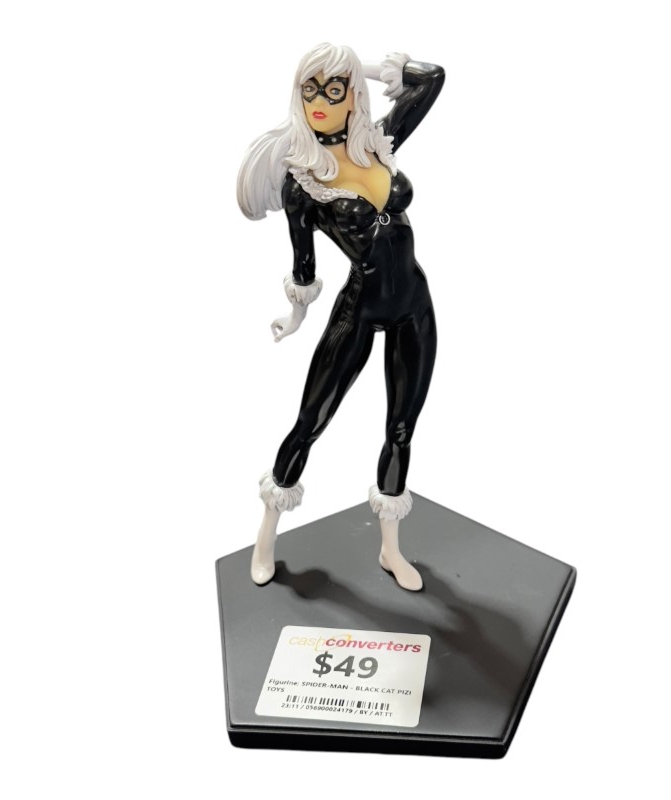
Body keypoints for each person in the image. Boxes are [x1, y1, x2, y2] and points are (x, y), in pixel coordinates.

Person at [237, 43, 444, 591]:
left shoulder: (378, 142)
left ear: (353, 96)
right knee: (311, 421)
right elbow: (303, 264)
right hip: (359, 309)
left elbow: (431, 79)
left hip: (415, 307)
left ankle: (391, 551)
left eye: (335, 90)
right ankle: (265, 537)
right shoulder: (301, 181)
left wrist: (358, 68)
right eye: (311, 90)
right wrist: (294, 314)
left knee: (401, 429)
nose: (321, 103)